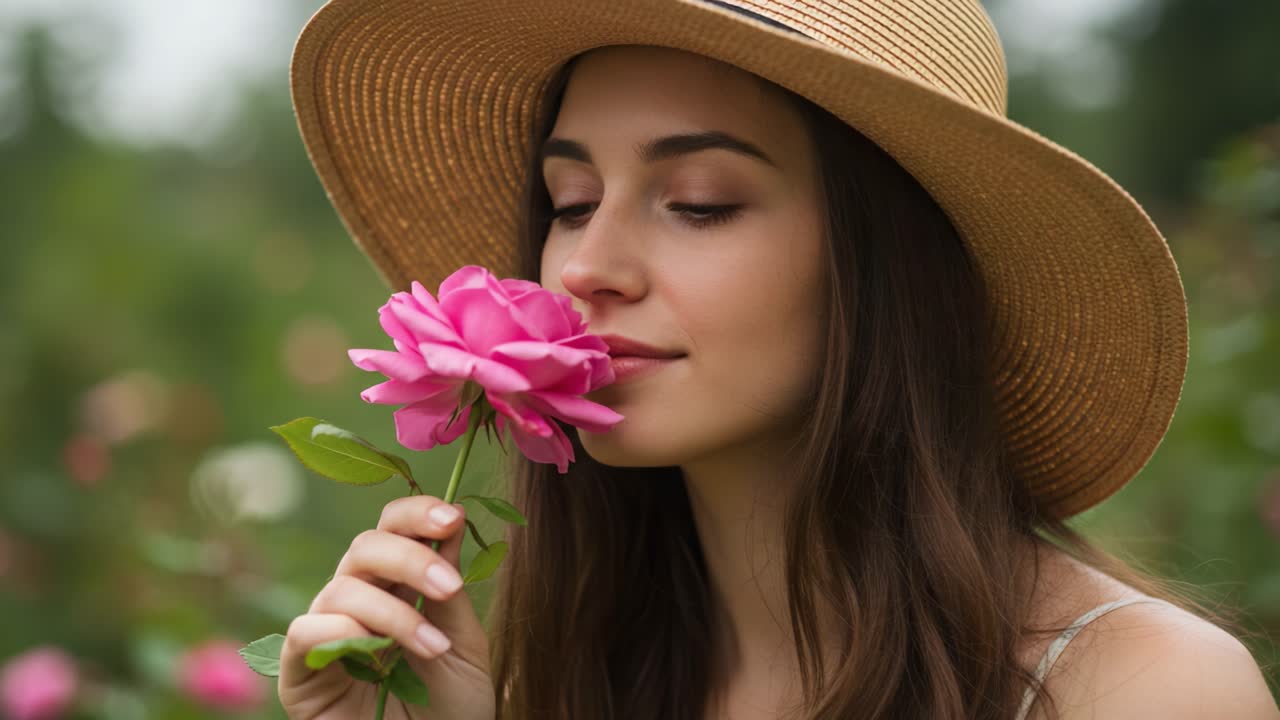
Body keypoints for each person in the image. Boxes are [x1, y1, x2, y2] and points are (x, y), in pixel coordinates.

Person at [275, 1, 1279, 718]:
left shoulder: (1141, 694)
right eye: (571, 203)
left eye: (699, 200)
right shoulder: (571, 678)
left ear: (881, 264)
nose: (586, 265)